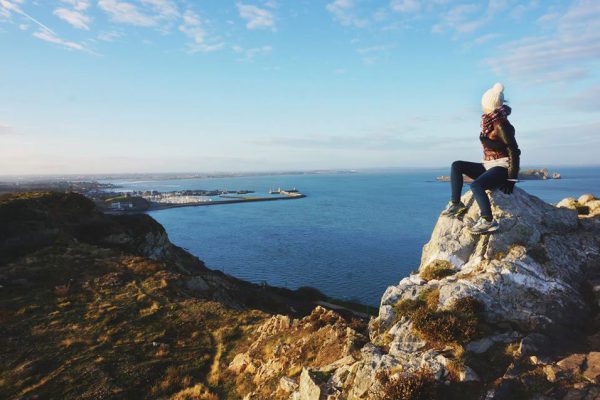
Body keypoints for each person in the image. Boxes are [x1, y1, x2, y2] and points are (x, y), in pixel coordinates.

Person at [441, 83, 520, 234]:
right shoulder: (489, 122)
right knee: (456, 165)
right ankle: (456, 204)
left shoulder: (501, 125)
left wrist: (511, 179)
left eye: (483, 104)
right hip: (488, 165)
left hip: (502, 168)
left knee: (476, 186)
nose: (481, 106)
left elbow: (514, 151)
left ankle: (488, 220)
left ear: (489, 105)